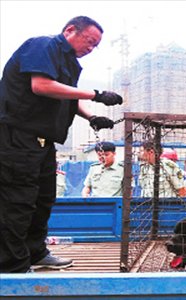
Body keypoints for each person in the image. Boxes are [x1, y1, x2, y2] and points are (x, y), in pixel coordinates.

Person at [0, 16, 122, 273]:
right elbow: (42, 85)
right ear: (69, 31)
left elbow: (65, 95)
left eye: (95, 46)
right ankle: (11, 265)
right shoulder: (43, 46)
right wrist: (96, 94)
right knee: (17, 200)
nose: (90, 49)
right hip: (17, 136)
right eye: (89, 41)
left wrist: (92, 116)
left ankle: (35, 252)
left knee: (44, 198)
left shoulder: (70, 63)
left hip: (44, 142)